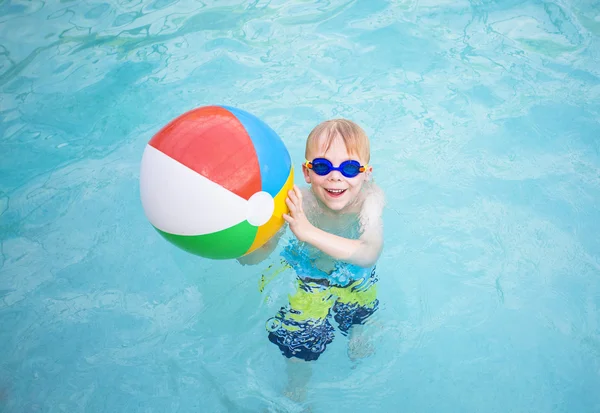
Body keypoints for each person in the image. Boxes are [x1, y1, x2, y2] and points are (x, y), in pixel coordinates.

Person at [238, 118, 385, 401]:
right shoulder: (298, 202)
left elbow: (368, 253)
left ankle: (357, 330)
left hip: (355, 275)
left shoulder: (371, 199)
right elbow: (259, 255)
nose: (335, 176)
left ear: (366, 174)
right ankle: (298, 385)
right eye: (322, 166)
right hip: (310, 276)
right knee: (299, 345)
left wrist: (308, 232)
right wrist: (245, 245)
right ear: (307, 172)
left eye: (350, 168)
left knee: (358, 316)